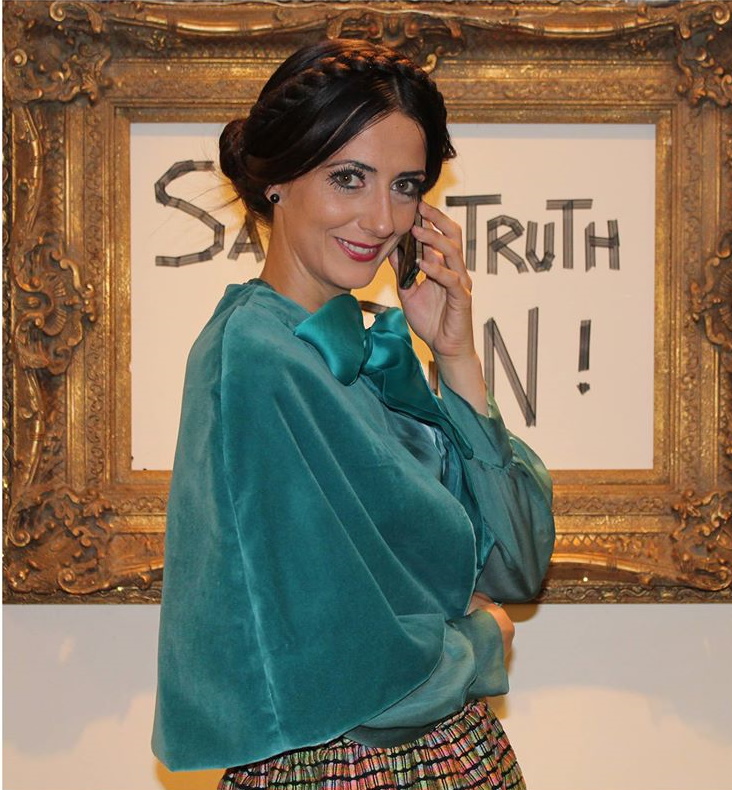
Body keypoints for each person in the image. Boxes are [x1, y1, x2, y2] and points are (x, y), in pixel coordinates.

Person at [152, 38, 555, 790]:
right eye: (348, 178)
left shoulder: (366, 349)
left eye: (405, 186)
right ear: (277, 180)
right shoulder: (256, 357)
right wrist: (478, 639)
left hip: (444, 755)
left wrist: (456, 357)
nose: (381, 218)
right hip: (346, 766)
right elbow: (329, 657)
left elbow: (516, 566)